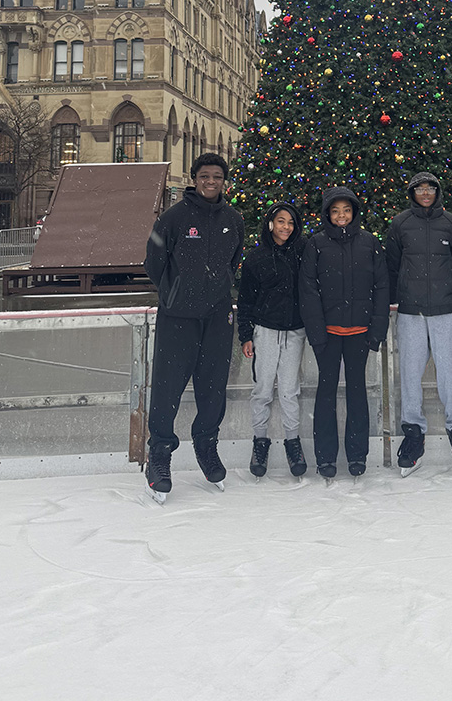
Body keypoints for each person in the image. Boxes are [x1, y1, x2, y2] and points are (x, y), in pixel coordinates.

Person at [143, 153, 244, 500]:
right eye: (205, 176)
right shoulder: (174, 218)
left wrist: (217, 290)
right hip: (178, 317)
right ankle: (159, 454)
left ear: (224, 180)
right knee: (168, 388)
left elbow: (234, 260)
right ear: (195, 178)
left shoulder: (233, 219)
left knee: (213, 387)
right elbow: (154, 261)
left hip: (217, 317)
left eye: (217, 176)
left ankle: (206, 445)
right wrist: (174, 295)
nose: (211, 182)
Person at [385, 172, 452, 475]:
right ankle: (413, 434)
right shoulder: (400, 224)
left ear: (437, 192)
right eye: (419, 189)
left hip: (444, 310)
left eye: (430, 188)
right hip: (411, 312)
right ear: (412, 193)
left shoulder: (451, 223)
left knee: (449, 374)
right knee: (410, 374)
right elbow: (391, 265)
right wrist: (392, 300)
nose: (425, 193)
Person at [299, 187, 389, 479]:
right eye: (336, 211)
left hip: (359, 333)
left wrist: (377, 330)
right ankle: (325, 457)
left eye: (346, 210)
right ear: (328, 214)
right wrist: (316, 333)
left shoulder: (369, 243)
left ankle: (356, 455)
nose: (341, 216)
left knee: (357, 393)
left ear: (354, 213)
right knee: (325, 394)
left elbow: (381, 288)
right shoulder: (316, 244)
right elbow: (308, 291)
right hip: (327, 334)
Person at [237, 202, 308, 478]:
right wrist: (246, 335)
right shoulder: (256, 258)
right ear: (271, 223)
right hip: (264, 331)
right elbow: (245, 300)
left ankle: (293, 443)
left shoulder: (303, 252)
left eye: (290, 222)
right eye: (281, 221)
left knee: (290, 390)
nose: (286, 227)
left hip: (295, 331)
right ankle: (260, 442)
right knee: (263, 390)